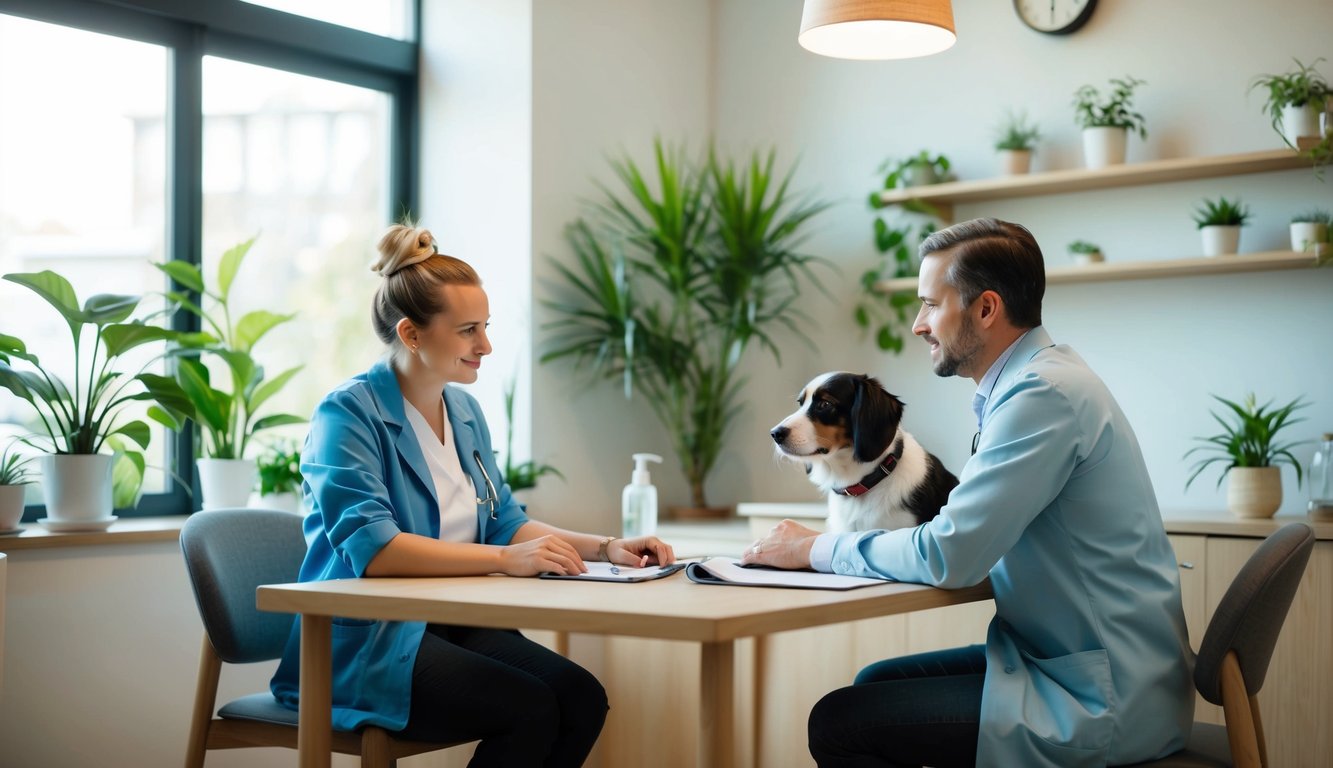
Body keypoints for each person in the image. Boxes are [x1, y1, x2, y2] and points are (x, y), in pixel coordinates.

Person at [742, 218, 1193, 767]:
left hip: (1102, 694)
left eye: (931, 305)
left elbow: (950, 553)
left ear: (985, 309)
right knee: (873, 684)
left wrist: (811, 548)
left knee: (841, 722)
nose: (917, 325)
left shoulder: (1042, 397)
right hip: (1063, 660)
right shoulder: (1035, 384)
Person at [271, 223, 675, 767]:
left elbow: (505, 520)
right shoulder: (347, 415)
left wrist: (605, 548)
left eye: (485, 327)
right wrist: (509, 560)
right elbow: (378, 551)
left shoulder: (463, 411)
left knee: (580, 699)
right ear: (412, 334)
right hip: (367, 643)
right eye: (467, 331)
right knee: (529, 708)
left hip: (452, 622)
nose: (485, 346)